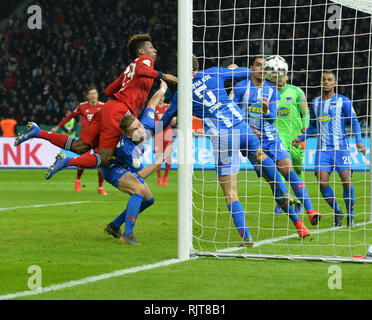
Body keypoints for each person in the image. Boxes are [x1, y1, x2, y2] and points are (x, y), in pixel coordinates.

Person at [156, 55, 310, 246]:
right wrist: (233, 70)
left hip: (222, 137)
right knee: (262, 157)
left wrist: (148, 127)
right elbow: (245, 72)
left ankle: (246, 237)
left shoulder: (181, 94)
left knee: (231, 193)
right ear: (198, 66)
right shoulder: (213, 73)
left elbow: (165, 120)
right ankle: (290, 202)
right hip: (241, 126)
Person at [14, 33, 178, 178]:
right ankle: (67, 161)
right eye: (151, 47)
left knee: (80, 146)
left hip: (108, 107)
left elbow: (108, 90)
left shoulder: (130, 68)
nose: (154, 50)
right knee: (105, 157)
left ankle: (37, 131)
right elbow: (143, 70)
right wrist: (164, 75)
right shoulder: (146, 61)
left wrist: (130, 88)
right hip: (120, 111)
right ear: (142, 51)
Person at [232, 56, 322, 227]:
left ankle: (310, 211)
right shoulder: (240, 87)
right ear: (251, 67)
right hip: (252, 142)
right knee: (274, 182)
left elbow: (272, 118)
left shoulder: (271, 90)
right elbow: (232, 114)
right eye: (258, 65)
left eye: (264, 66)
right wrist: (247, 128)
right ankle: (297, 223)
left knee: (289, 170)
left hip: (272, 138)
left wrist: (266, 111)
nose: (261, 69)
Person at [293, 71, 366, 227]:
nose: (326, 82)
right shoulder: (316, 102)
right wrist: (301, 138)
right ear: (321, 82)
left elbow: (354, 122)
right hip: (322, 150)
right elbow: (313, 127)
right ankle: (337, 211)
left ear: (334, 83)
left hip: (341, 148)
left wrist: (359, 141)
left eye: (329, 80)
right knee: (322, 182)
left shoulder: (343, 101)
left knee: (346, 181)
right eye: (324, 79)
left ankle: (350, 216)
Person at [102, 81, 170, 245]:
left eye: (138, 125)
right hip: (112, 169)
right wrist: (160, 159)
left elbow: (152, 102)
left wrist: (163, 88)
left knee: (149, 200)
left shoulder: (145, 125)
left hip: (124, 168)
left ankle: (114, 226)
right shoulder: (128, 148)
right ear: (127, 133)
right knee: (138, 189)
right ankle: (128, 235)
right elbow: (141, 173)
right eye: (134, 129)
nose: (140, 130)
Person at [50, 87, 107, 195]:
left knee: (101, 164)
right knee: (82, 162)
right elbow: (70, 116)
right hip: (86, 139)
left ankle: (100, 187)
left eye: (94, 93)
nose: (93, 95)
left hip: (99, 139)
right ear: (87, 96)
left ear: (97, 95)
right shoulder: (82, 106)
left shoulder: (103, 106)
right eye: (91, 94)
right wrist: (58, 127)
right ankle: (78, 180)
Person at [273, 73, 310, 214]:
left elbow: (305, 112)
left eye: (282, 75)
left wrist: (304, 133)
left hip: (296, 138)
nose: (280, 78)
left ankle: (299, 201)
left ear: (287, 77)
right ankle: (282, 201)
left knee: (298, 169)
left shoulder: (296, 91)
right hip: (278, 137)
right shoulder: (269, 92)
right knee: (280, 171)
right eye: (277, 75)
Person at [154, 94, 176, 186]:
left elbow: (174, 120)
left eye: (162, 97)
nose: (161, 99)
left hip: (168, 134)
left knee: (169, 157)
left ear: (164, 98)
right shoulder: (153, 108)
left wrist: (174, 119)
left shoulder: (168, 107)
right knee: (158, 157)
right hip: (158, 135)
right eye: (159, 97)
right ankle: (159, 177)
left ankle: (165, 176)